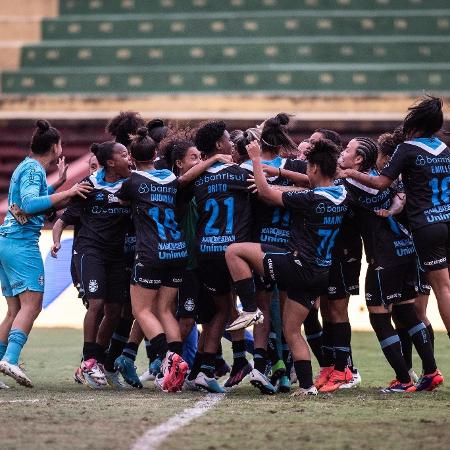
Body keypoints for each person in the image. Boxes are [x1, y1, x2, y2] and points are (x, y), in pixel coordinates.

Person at [225, 138, 348, 396]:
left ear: (313, 169)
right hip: (320, 274)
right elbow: (304, 191)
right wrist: (282, 178)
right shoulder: (341, 194)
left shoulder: (311, 199)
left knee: (235, 251)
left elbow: (267, 194)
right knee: (292, 330)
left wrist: (256, 159)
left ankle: (249, 309)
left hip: (297, 266)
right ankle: (307, 386)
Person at [338, 136, 442, 393]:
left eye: (347, 149)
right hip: (406, 250)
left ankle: (403, 380)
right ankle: (431, 372)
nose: (343, 152)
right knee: (407, 312)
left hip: (384, 258)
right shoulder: (384, 177)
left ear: (359, 159)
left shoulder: (351, 183)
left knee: (379, 318)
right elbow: (397, 194)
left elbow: (316, 185)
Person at [0, 119, 92, 387]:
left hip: (8, 242)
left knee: (14, 309)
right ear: (55, 146)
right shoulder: (33, 170)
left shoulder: (27, 167)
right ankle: (11, 360)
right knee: (32, 304)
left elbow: (31, 200)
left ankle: (3, 358)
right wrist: (70, 192)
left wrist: (59, 185)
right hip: (21, 245)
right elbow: (29, 205)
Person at [52, 140, 132, 389]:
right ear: (111, 162)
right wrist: (55, 242)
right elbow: (61, 220)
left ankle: (95, 358)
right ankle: (89, 359)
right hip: (91, 252)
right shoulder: (88, 187)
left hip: (117, 256)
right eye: (124, 154)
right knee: (96, 303)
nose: (128, 158)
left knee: (116, 311)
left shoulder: (131, 187)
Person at [238, 113, 307, 394]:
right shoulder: (295, 165)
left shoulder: (246, 167)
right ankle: (283, 369)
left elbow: (264, 194)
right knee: (285, 314)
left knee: (264, 311)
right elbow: (311, 183)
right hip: (290, 246)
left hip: (260, 247)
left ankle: (266, 363)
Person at [189, 121, 253, 393]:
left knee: (223, 310)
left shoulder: (196, 177)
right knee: (229, 310)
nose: (231, 143)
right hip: (234, 253)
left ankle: (229, 363)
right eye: (228, 139)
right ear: (218, 145)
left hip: (206, 252)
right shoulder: (240, 174)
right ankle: (223, 364)